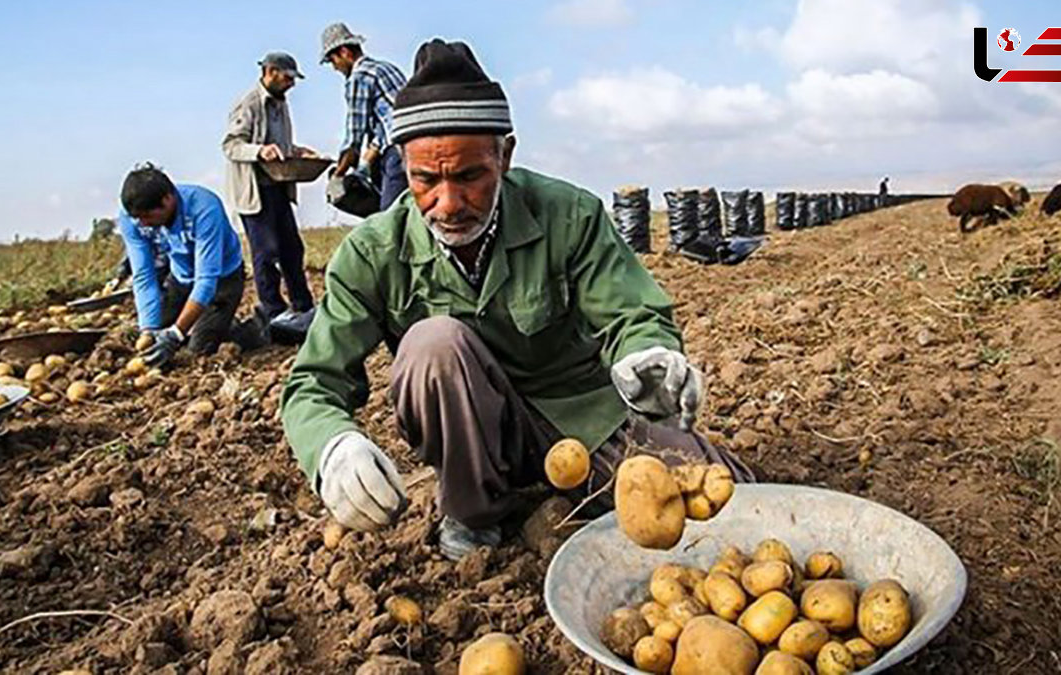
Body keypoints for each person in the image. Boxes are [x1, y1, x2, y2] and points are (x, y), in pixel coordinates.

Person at [281, 40, 745, 561]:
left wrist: (648, 355)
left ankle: (576, 490)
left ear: (505, 155)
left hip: (581, 417)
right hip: (470, 439)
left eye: (469, 176)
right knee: (433, 343)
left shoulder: (569, 215)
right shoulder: (372, 254)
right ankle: (475, 512)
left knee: (727, 505)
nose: (448, 203)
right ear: (403, 167)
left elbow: (633, 314)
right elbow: (314, 381)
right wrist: (332, 447)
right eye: (425, 180)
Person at [223, 51, 317, 332]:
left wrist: (297, 151)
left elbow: (279, 146)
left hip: (277, 186)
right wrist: (259, 151)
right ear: (271, 71)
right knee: (266, 252)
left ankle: (304, 307)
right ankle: (274, 312)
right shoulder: (249, 103)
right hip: (254, 191)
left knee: (292, 248)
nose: (291, 84)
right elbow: (231, 145)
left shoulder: (280, 104)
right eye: (288, 78)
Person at [118, 164, 248, 367]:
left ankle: (248, 330)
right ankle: (209, 321)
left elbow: (206, 281)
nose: (142, 224)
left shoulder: (204, 208)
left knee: (198, 349)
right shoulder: (132, 218)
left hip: (222, 279)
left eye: (147, 217)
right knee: (155, 335)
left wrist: (176, 333)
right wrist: (149, 329)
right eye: (138, 218)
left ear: (168, 200)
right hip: (181, 278)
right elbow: (144, 275)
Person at [319, 22, 408, 210]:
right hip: (416, 145)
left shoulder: (359, 77)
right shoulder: (387, 68)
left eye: (332, 60)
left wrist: (338, 176)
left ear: (344, 52)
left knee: (390, 218)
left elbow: (354, 137)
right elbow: (387, 125)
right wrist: (365, 164)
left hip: (397, 153)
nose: (335, 68)